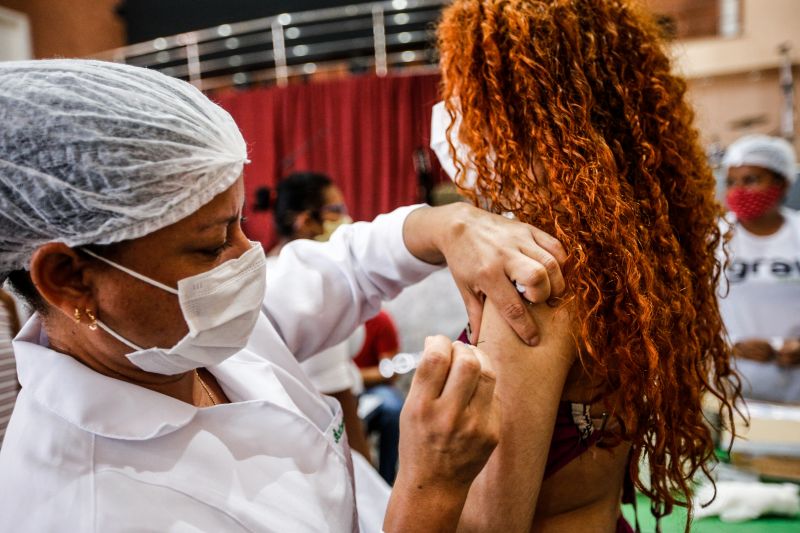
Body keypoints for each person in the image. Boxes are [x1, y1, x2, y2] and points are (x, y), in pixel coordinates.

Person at [0, 59, 567, 532]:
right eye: (210, 244)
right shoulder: (87, 508)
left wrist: (445, 226)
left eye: (241, 221)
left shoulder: (176, 329)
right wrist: (432, 491)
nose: (247, 257)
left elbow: (348, 265)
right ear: (69, 278)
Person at [431, 1, 740, 531]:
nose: (450, 114)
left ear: (518, 112)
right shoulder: (627, 256)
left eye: (467, 91)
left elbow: (487, 525)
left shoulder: (534, 280)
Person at [264, 172, 371, 461]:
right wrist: (365, 468)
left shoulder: (272, 273)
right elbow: (336, 395)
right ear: (305, 221)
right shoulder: (310, 293)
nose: (345, 219)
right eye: (336, 211)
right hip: (327, 437)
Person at [718, 134, 800, 404]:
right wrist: (731, 344)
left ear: (783, 182)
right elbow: (690, 310)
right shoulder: (712, 238)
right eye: (731, 182)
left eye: (751, 179)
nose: (738, 191)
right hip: (731, 385)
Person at [353, 310, 404, 484]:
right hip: (336, 386)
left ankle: (386, 481)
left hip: (373, 388)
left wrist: (352, 376)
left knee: (393, 409)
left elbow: (391, 371)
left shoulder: (380, 320)